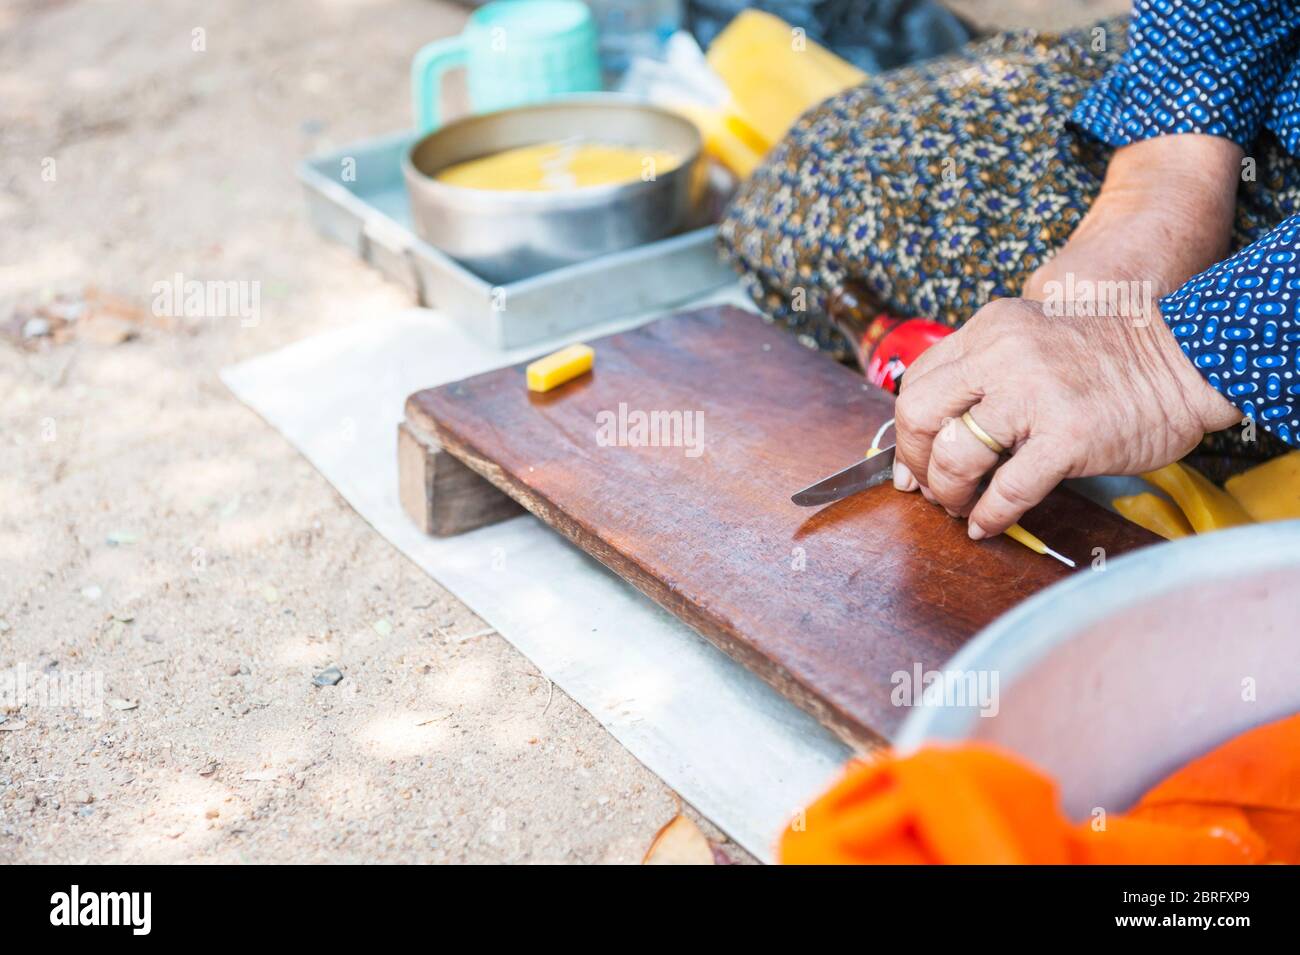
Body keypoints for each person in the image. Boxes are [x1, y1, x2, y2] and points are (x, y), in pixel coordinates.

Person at [719, 1, 1300, 539]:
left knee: (1099, 442)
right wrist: (1168, 166)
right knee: (811, 195)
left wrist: (1165, 358)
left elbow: (1167, 358)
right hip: (1256, 74)